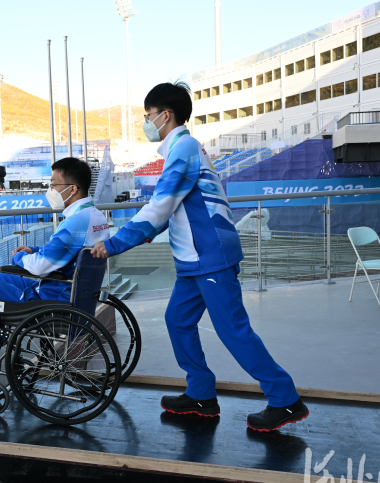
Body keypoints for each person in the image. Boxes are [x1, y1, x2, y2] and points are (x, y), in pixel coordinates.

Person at [91, 82, 308, 432]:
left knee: (234, 331)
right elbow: (173, 211)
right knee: (178, 320)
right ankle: (201, 394)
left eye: (148, 116)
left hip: (211, 256)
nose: (146, 123)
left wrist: (114, 243)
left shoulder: (185, 148)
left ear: (165, 115)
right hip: (194, 261)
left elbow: (159, 207)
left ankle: (285, 400)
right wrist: (136, 235)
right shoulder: (182, 149)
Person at [0, 157, 111, 387]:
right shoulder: (95, 216)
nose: (51, 189)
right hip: (71, 290)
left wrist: (20, 256)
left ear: (72, 189)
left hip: (54, 296)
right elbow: (66, 253)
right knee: (3, 278)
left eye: (54, 184)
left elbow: (40, 266)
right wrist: (34, 249)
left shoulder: (76, 221)